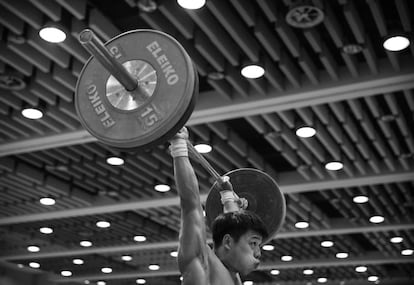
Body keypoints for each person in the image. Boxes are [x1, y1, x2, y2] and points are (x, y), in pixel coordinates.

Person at [169, 128, 268, 285]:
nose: (258, 253)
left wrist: (228, 197)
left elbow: (233, 225)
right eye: (253, 243)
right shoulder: (201, 265)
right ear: (228, 242)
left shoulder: (232, 274)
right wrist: (179, 145)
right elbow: (190, 205)